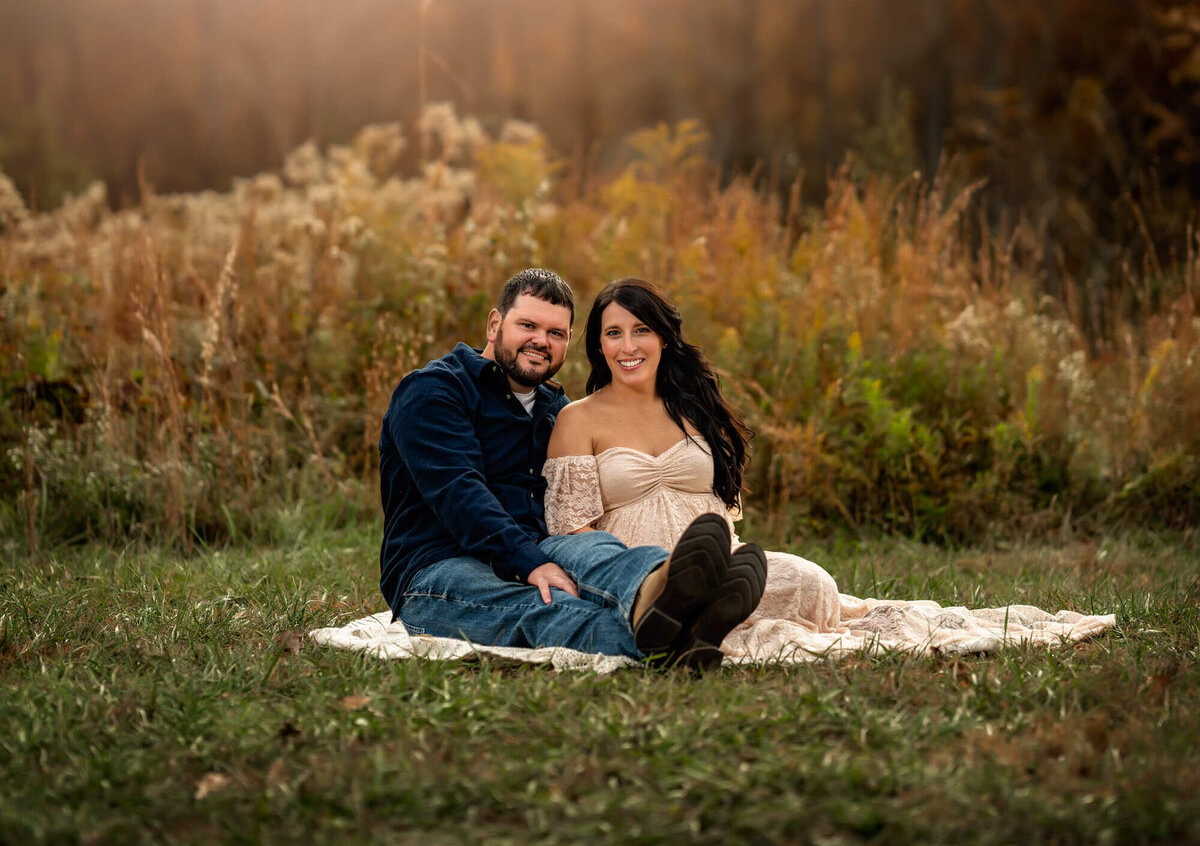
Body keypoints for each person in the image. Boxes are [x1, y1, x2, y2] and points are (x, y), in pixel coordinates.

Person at [543, 279, 1113, 661]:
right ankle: (676, 617)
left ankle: (709, 617)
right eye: (613, 333)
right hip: (643, 578)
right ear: (597, 344)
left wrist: (725, 559)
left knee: (810, 582)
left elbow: (718, 514)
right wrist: (642, 579)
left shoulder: (693, 409)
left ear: (664, 337)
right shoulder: (579, 419)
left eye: (640, 329)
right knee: (703, 597)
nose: (628, 346)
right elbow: (572, 533)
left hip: (712, 558)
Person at [378, 268, 767, 670]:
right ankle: (679, 640)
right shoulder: (435, 391)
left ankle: (656, 584)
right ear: (495, 324)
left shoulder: (555, 412)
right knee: (544, 605)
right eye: (527, 325)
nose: (540, 341)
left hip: (539, 550)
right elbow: (459, 494)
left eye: (556, 333)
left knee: (592, 547)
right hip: (441, 570)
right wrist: (530, 563)